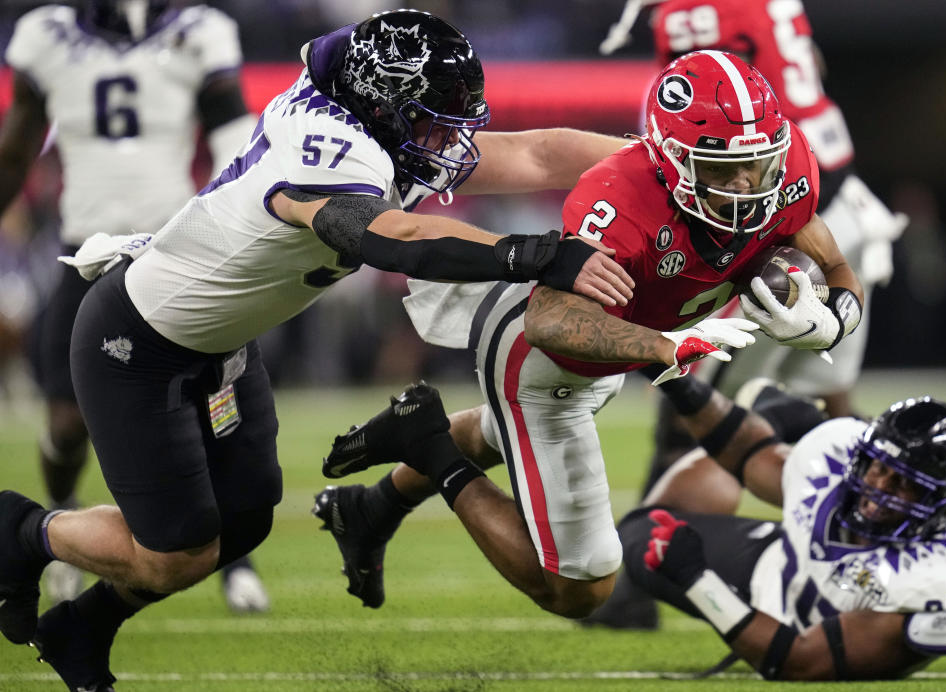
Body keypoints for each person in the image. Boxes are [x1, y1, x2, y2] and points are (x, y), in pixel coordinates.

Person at [0, 9, 636, 690]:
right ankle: (22, 530)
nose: (446, 139)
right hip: (139, 342)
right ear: (382, 102)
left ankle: (81, 627)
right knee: (176, 555)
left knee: (244, 519)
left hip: (220, 341)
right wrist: (535, 254)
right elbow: (390, 236)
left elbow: (536, 154)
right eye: (428, 119)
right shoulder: (328, 145)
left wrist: (660, 163)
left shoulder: (375, 119)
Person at [314, 49, 864, 619]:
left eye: (760, 163)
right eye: (722, 169)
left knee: (497, 434)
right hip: (542, 358)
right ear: (674, 161)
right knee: (581, 588)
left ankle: (371, 508)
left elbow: (830, 256)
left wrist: (837, 316)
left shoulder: (785, 166)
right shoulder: (624, 201)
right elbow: (549, 320)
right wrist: (663, 348)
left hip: (617, 348)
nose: (749, 186)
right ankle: (430, 445)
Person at [0, 0, 270, 612]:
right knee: (67, 424)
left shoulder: (200, 32)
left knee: (215, 409)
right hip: (84, 253)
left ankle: (238, 558)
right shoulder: (46, 36)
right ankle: (63, 526)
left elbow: (235, 139)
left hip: (172, 253)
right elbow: (15, 154)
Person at [601, 0, 909, 496]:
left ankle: (652, 550)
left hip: (775, 212)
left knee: (694, 405)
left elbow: (702, 105)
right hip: (842, 199)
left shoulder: (695, 12)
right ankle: (893, 493)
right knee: (832, 402)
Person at [613, 380, 946, 680]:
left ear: (944, 500)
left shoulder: (935, 580)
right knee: (638, 532)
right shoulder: (838, 456)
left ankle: (788, 417)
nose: (878, 489)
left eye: (902, 482)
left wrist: (697, 580)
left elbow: (800, 662)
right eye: (878, 468)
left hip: (791, 625)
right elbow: (747, 454)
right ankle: (784, 417)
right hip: (775, 566)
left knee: (663, 548)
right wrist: (678, 382)